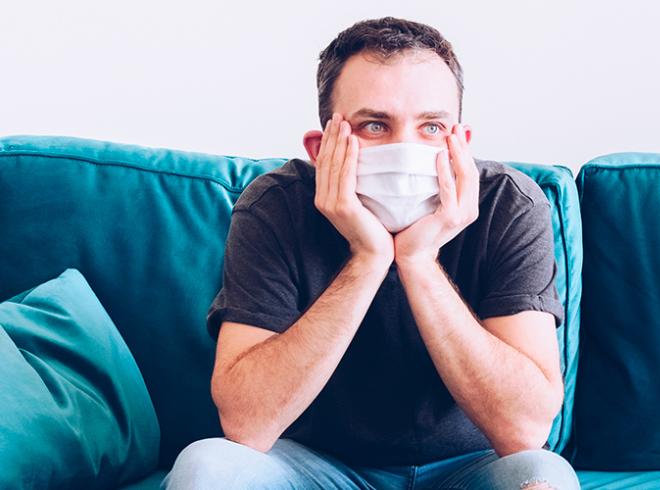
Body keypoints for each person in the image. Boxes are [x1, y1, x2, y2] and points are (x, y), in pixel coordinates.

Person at [162, 16, 579, 490]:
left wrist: (419, 261)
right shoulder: (275, 205)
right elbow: (246, 424)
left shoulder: (508, 203)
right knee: (207, 467)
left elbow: (525, 431)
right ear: (321, 149)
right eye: (375, 125)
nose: (405, 149)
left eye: (431, 126)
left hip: (471, 466)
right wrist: (367, 259)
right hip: (315, 466)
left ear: (460, 142)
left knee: (543, 479)